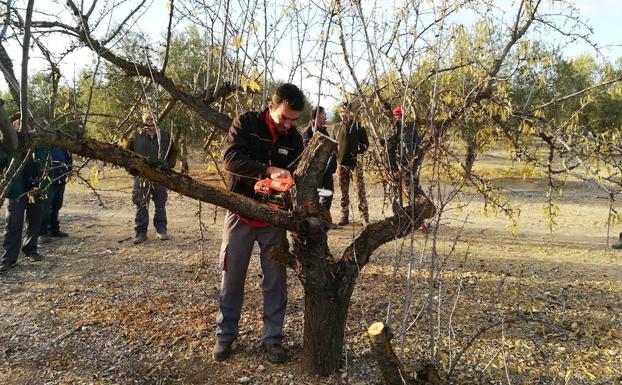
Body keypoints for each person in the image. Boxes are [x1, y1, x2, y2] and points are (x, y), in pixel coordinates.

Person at [213, 83, 305, 364]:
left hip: (273, 217)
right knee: (232, 276)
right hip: (239, 212)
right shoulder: (245, 123)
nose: (289, 125)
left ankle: (273, 338)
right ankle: (225, 335)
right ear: (271, 106)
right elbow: (230, 159)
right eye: (284, 117)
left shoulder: (295, 140)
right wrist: (264, 172)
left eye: (294, 120)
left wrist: (285, 188)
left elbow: (296, 178)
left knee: (275, 280)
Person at [0, 115, 48, 273]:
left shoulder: (39, 145)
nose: (22, 127)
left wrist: (43, 186)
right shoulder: (6, 146)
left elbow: (48, 165)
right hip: (16, 192)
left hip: (36, 190)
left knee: (34, 222)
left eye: (25, 124)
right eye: (18, 124)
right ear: (12, 128)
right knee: (13, 225)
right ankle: (9, 259)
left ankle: (31, 250)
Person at [127, 110, 177, 244]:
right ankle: (140, 232)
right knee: (141, 203)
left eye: (153, 119)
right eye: (147, 119)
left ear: (157, 120)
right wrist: (133, 170)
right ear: (143, 120)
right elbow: (127, 154)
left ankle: (161, 230)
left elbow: (173, 153)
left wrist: (168, 165)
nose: (150, 122)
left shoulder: (165, 135)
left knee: (160, 203)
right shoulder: (136, 135)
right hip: (141, 176)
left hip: (159, 175)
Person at [335, 101, 369, 226]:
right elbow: (333, 144)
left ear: (351, 113)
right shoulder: (336, 128)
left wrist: (358, 152)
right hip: (341, 164)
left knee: (360, 191)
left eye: (347, 111)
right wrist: (336, 156)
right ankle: (344, 215)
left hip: (355, 164)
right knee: (343, 193)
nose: (345, 114)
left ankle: (364, 216)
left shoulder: (359, 126)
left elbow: (366, 144)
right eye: (343, 111)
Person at [302, 106, 337, 211]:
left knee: (328, 194)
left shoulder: (324, 132)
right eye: (324, 114)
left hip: (326, 172)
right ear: (318, 115)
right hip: (314, 173)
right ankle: (313, 218)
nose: (325, 117)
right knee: (314, 195)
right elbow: (307, 152)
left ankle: (324, 217)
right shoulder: (308, 132)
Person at [39, 148, 72, 243]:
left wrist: (68, 172)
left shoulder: (62, 146)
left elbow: (69, 159)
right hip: (48, 181)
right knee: (45, 207)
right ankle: (42, 233)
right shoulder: (45, 146)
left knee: (57, 205)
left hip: (61, 179)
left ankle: (53, 229)